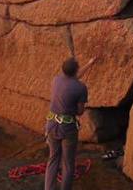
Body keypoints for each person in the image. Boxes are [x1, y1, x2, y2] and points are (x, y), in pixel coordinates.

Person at [44, 56, 92, 190]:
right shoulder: (81, 88)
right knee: (68, 163)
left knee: (53, 159)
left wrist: (89, 64)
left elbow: (73, 79)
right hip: (68, 128)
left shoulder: (56, 80)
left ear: (63, 69)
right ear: (76, 70)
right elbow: (80, 112)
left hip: (51, 124)